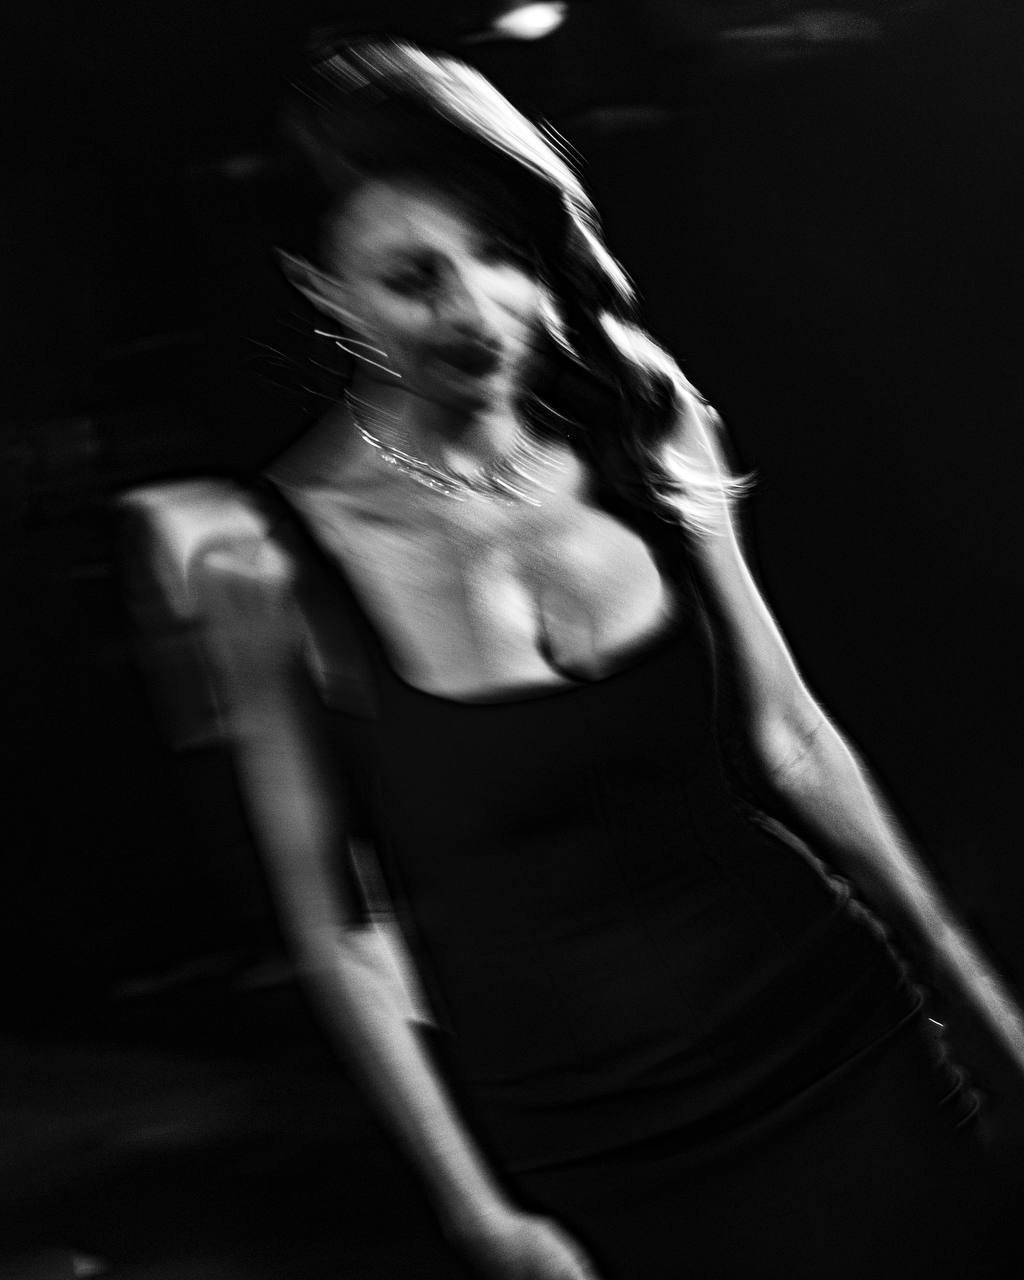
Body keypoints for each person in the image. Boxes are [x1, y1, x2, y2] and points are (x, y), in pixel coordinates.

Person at [122, 37, 1024, 1279]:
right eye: (412, 276)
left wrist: (978, 994)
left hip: (834, 1036)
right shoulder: (265, 563)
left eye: (502, 254)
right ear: (321, 289)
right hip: (585, 1133)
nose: (479, 310)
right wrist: (477, 1210)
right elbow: (341, 930)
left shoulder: (646, 427)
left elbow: (792, 739)